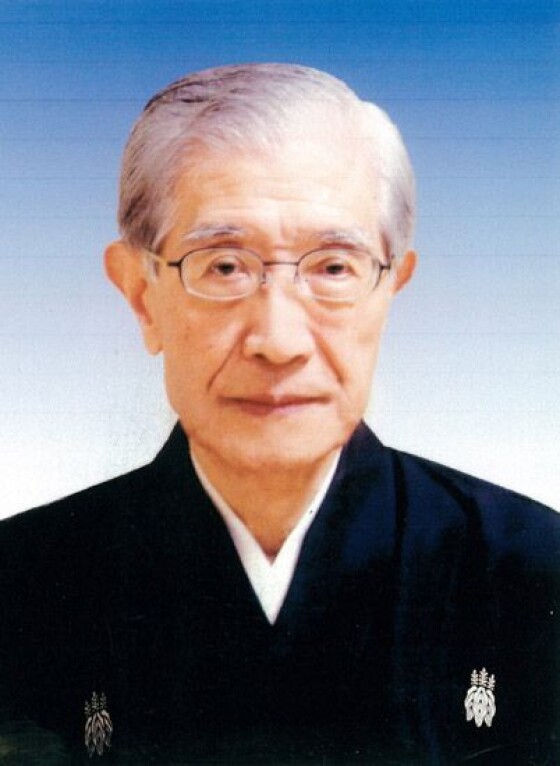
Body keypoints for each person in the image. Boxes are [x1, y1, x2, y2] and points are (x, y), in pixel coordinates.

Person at [0, 63, 557, 766]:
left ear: (391, 289)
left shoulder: (531, 572)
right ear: (141, 295)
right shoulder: (22, 584)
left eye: (334, 267)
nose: (280, 340)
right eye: (224, 266)